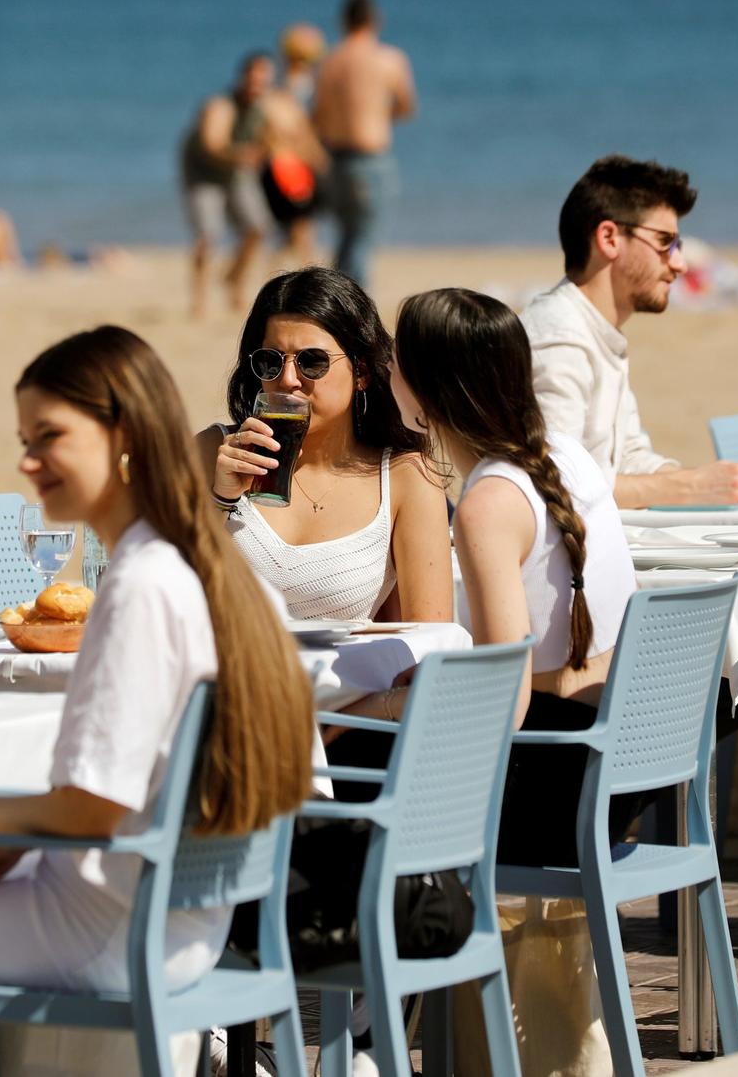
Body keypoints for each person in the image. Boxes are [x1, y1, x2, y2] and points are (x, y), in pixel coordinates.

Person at [0, 324, 314, 996]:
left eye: (49, 437)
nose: (28, 462)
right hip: (188, 922)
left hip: (103, 928)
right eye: (25, 442)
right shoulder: (217, 571)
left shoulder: (141, 583)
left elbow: (97, 808)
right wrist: (11, 832)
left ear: (124, 437)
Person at [380, 287, 638, 867]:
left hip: (558, 784)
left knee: (350, 773)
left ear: (428, 393)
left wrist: (389, 706)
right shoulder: (567, 455)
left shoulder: (489, 504)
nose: (387, 366)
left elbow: (507, 700)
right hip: (620, 760)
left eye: (397, 358)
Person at [524, 156, 738, 508]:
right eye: (665, 242)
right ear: (609, 237)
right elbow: (558, 483)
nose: (680, 263)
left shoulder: (596, 328)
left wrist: (728, 482)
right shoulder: (559, 336)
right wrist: (693, 486)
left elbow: (628, 458)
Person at [203, 267, 451, 623]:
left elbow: (430, 637)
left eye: (312, 362)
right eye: (271, 361)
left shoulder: (406, 478)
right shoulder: (215, 453)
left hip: (349, 678)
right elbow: (158, 590)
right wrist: (219, 500)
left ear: (361, 372)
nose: (288, 380)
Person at [312, 0, 415, 288]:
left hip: (336, 158)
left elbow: (317, 117)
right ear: (375, 20)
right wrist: (378, 113)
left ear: (343, 21)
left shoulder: (329, 61)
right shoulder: (389, 58)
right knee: (363, 240)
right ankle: (351, 308)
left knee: (347, 237)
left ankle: (336, 299)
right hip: (370, 158)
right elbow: (406, 106)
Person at [179, 52, 277, 319]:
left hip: (235, 171)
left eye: (264, 81)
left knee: (258, 228)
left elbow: (279, 136)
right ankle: (199, 300)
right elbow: (212, 143)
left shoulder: (263, 108)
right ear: (242, 78)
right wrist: (243, 155)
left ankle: (234, 279)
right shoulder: (219, 105)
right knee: (207, 235)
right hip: (204, 173)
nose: (257, 86)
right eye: (254, 80)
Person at [263, 25, 331, 269]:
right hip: (290, 166)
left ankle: (281, 272)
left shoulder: (292, 85)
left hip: (293, 164)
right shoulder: (295, 87)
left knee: (296, 230)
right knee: (301, 229)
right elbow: (297, 129)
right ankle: (306, 272)